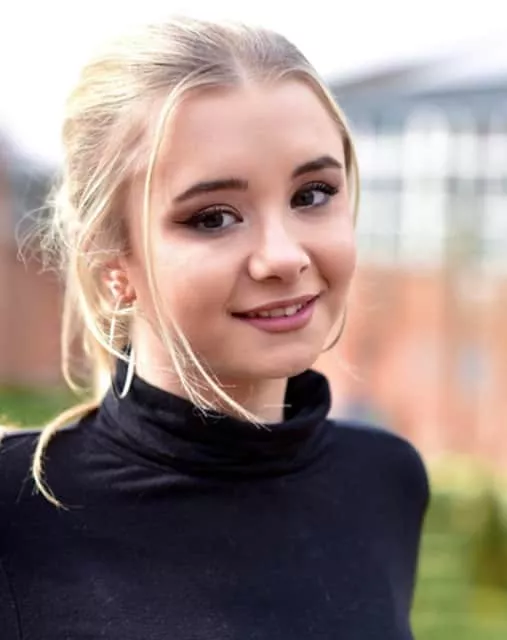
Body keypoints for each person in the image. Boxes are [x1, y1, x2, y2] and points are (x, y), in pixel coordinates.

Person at [0, 16, 429, 639]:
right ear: (113, 260)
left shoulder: (385, 482)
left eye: (312, 194)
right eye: (213, 217)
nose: (283, 256)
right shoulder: (16, 514)